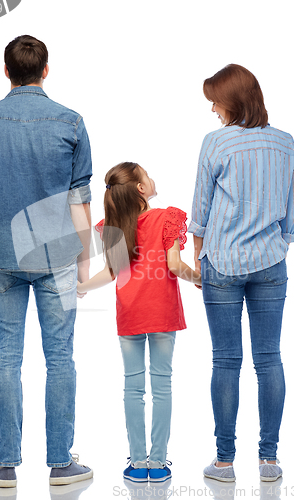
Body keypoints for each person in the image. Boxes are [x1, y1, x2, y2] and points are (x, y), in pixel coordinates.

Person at [0, 35, 93, 488]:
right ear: (46, 70)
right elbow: (79, 201)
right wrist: (83, 261)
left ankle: (4, 467)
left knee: (5, 360)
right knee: (60, 359)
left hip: (4, 257)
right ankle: (60, 464)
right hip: (56, 257)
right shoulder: (70, 123)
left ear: (6, 71)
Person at [188, 64, 294, 482]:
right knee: (269, 360)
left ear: (232, 101)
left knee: (226, 361)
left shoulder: (216, 143)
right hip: (271, 263)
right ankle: (269, 461)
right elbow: (290, 213)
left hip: (222, 263)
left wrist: (200, 259)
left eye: (215, 100)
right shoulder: (285, 143)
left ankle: (224, 463)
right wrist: (277, 243)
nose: (212, 108)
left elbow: (200, 211)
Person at [77, 162, 201, 482]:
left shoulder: (113, 226)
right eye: (147, 174)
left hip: (129, 314)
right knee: (162, 387)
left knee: (133, 388)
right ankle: (158, 464)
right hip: (161, 314)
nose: (151, 177)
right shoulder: (167, 217)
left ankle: (136, 463)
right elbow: (174, 265)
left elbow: (110, 272)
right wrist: (197, 278)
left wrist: (81, 287)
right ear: (141, 189)